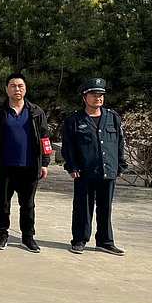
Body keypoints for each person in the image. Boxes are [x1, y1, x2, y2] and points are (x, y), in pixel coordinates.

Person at [0, 73, 51, 253]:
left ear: (25, 89)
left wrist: (45, 162)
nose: (17, 89)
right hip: (4, 166)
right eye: (13, 86)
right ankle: (1, 235)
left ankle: (28, 237)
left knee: (28, 205)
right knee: (3, 203)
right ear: (7, 89)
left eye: (20, 86)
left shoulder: (36, 112)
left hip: (29, 167)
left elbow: (45, 138)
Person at [62, 78, 127, 255]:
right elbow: (68, 146)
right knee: (83, 207)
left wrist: (120, 164)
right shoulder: (74, 119)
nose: (98, 98)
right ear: (84, 98)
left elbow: (119, 143)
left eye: (100, 95)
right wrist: (72, 166)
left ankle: (105, 241)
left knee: (106, 208)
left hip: (108, 170)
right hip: (84, 171)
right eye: (93, 95)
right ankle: (79, 240)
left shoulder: (113, 118)